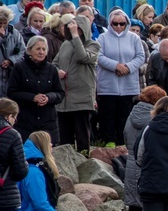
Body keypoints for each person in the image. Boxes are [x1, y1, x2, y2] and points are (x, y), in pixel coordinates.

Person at [120, 85, 167, 211]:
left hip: (132, 164)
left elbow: (126, 138)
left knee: (133, 209)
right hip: (151, 167)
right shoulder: (156, 120)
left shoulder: (130, 115)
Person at [96, 9, 146, 147]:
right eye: (115, 24)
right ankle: (109, 141)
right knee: (107, 114)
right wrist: (115, 66)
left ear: (127, 23)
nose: (118, 27)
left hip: (128, 85)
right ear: (110, 23)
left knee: (125, 115)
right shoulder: (103, 38)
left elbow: (141, 57)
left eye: (122, 23)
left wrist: (128, 67)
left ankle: (123, 142)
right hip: (108, 86)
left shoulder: (134, 38)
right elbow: (98, 56)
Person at [52, 15, 99, 154]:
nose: (74, 30)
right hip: (64, 97)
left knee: (82, 133)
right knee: (65, 135)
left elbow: (82, 56)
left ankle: (83, 160)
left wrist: (75, 37)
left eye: (77, 28)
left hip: (81, 97)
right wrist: (58, 71)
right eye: (72, 28)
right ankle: (67, 163)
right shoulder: (66, 44)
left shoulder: (93, 45)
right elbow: (54, 63)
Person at [7, 36, 64, 143]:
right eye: (38, 49)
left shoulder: (52, 69)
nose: (41, 52)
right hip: (25, 122)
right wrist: (33, 98)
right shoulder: (19, 68)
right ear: (29, 50)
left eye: (44, 49)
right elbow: (12, 93)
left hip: (48, 123)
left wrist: (48, 98)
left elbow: (59, 94)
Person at [0, 6, 26, 98]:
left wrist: (11, 60)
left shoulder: (14, 33)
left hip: (10, 76)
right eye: (0, 23)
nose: (2, 26)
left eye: (5, 23)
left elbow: (23, 52)